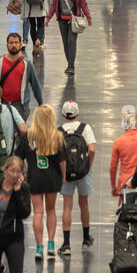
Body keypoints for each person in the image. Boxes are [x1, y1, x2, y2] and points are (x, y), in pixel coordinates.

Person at [16, 104, 66, 259]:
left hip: (35, 178)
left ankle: (39, 247)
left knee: (38, 212)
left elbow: (18, 158)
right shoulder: (57, 136)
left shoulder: (28, 136)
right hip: (52, 178)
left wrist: (21, 173)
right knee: (51, 210)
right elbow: (62, 161)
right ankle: (51, 243)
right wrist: (63, 177)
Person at [57, 100, 97, 256]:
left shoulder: (59, 131)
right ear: (77, 113)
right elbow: (92, 149)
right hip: (83, 171)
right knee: (84, 204)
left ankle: (66, 244)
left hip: (65, 173)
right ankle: (86, 239)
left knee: (67, 206)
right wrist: (88, 165)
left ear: (63, 114)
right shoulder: (85, 128)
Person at [46, 0, 93, 75]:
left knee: (71, 42)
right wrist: (48, 17)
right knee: (65, 43)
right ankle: (69, 63)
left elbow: (84, 4)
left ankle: (71, 66)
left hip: (73, 21)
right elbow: (53, 4)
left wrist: (88, 17)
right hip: (62, 21)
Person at [0, 32, 44, 118]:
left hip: (21, 107)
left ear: (20, 45)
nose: (13, 45)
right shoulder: (0, 62)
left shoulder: (27, 64)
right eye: (11, 43)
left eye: (16, 42)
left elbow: (35, 86)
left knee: (19, 131)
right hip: (2, 105)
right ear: (7, 45)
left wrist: (41, 105)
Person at [110, 105, 137, 207]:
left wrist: (114, 186)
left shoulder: (118, 142)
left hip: (127, 182)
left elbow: (113, 168)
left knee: (128, 212)